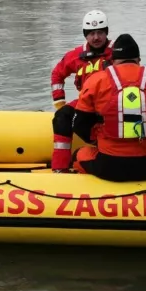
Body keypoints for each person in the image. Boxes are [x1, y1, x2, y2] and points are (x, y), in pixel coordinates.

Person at [70, 33, 146, 182]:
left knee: (78, 155)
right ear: (138, 60)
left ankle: (89, 192)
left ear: (113, 60)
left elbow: (79, 125)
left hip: (109, 165)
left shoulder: (95, 81)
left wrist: (98, 140)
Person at [49, 10, 114, 172]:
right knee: (61, 118)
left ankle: (108, 151)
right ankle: (60, 168)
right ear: (86, 35)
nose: (96, 37)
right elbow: (57, 73)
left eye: (100, 32)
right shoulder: (76, 55)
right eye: (91, 33)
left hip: (112, 104)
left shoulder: (117, 52)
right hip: (86, 103)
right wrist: (59, 102)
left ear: (106, 33)